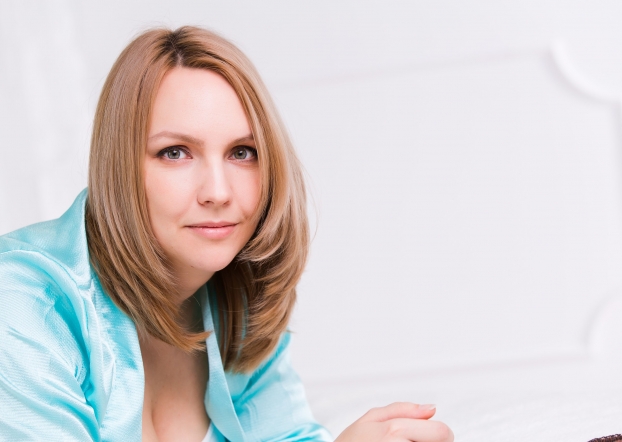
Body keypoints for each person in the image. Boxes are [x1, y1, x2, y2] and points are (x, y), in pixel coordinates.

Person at [0, 26, 453, 442]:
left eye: (242, 152)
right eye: (175, 152)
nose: (218, 192)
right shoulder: (21, 303)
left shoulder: (236, 298)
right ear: (119, 168)